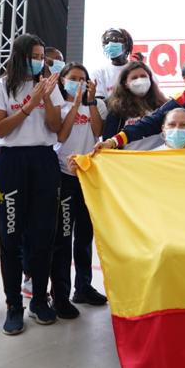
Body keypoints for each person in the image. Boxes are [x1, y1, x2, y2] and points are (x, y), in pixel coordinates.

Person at [0, 33, 63, 335]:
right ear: (19, 55)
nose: (40, 61)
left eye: (42, 56)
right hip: (11, 162)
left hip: (43, 160)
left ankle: (40, 300)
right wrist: (32, 104)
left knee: (43, 236)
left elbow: (55, 128)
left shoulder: (47, 86)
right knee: (10, 236)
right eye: (35, 56)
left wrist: (50, 99)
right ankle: (13, 305)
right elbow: (1, 128)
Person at [51, 63, 106, 317]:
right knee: (62, 238)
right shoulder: (57, 106)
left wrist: (91, 102)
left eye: (83, 79)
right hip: (63, 176)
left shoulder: (95, 105)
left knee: (85, 236)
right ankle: (59, 294)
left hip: (87, 177)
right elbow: (60, 137)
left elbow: (98, 132)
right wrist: (73, 105)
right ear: (62, 80)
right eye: (74, 78)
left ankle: (83, 286)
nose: (79, 83)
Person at [101, 61, 169, 151]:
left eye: (143, 76)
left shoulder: (164, 106)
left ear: (150, 80)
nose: (140, 80)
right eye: (134, 78)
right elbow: (108, 141)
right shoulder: (117, 110)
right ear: (125, 84)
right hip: (129, 161)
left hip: (158, 160)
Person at [91, 27, 135, 98]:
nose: (110, 44)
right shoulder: (99, 73)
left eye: (115, 40)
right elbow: (99, 102)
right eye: (107, 42)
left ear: (126, 44)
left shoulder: (139, 70)